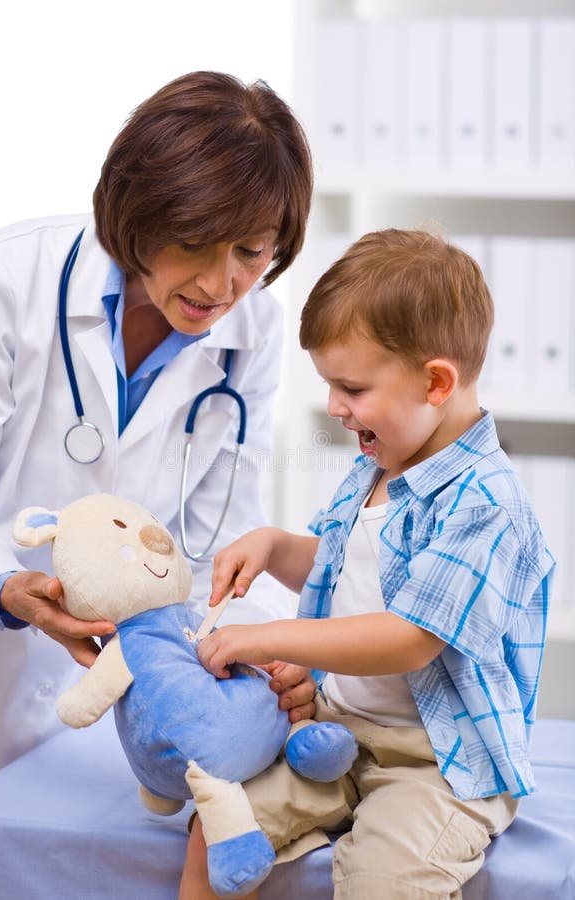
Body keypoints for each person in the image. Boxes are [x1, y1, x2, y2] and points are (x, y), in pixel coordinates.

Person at [186, 228, 555, 899]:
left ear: (435, 382)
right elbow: (343, 569)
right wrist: (274, 546)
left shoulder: (487, 502)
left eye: (350, 387)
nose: (334, 407)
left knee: (384, 882)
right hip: (335, 735)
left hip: (437, 764)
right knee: (218, 826)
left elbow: (407, 637)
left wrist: (264, 635)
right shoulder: (377, 466)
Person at [0, 71, 317, 783]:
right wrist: (6, 587)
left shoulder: (251, 332)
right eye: (197, 241)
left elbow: (223, 537)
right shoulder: (2, 282)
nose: (222, 285)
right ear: (140, 211)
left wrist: (265, 644)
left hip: (119, 712)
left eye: (251, 252)